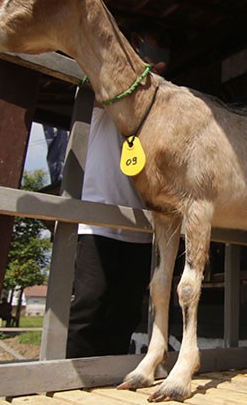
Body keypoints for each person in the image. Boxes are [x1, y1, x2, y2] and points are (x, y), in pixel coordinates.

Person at [66, 23, 172, 358]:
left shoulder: (158, 101)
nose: (151, 63)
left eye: (158, 56)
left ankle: (108, 377)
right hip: (97, 216)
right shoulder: (101, 86)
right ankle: (69, 377)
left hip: (139, 224)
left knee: (126, 311)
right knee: (89, 304)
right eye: (143, 53)